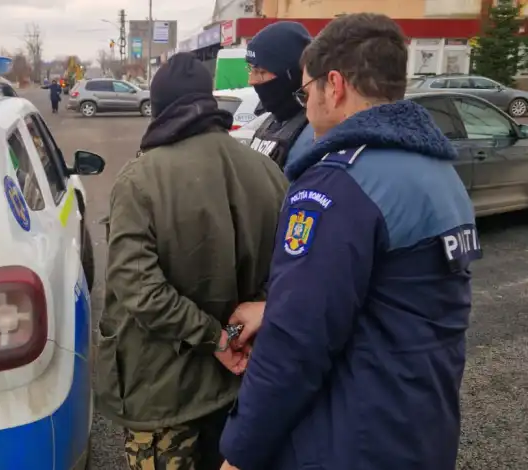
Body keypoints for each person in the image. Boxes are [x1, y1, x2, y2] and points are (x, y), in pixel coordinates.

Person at [219, 13, 481, 470]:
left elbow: (295, 348)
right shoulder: (440, 173)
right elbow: (393, 295)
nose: (305, 106)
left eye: (305, 91)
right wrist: (275, 307)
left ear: (334, 85)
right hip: (423, 428)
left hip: (351, 440)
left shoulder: (336, 187)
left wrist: (238, 453)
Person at [95, 52, 288, 470]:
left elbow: (139, 290)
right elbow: (287, 273)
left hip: (164, 396)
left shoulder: (139, 180)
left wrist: (215, 339)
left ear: (159, 108)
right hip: (242, 385)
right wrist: (230, 335)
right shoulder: (268, 172)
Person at [246, 21, 315, 174]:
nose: (251, 81)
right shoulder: (270, 122)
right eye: (251, 70)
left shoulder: (315, 132)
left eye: (261, 72)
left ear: (291, 75)